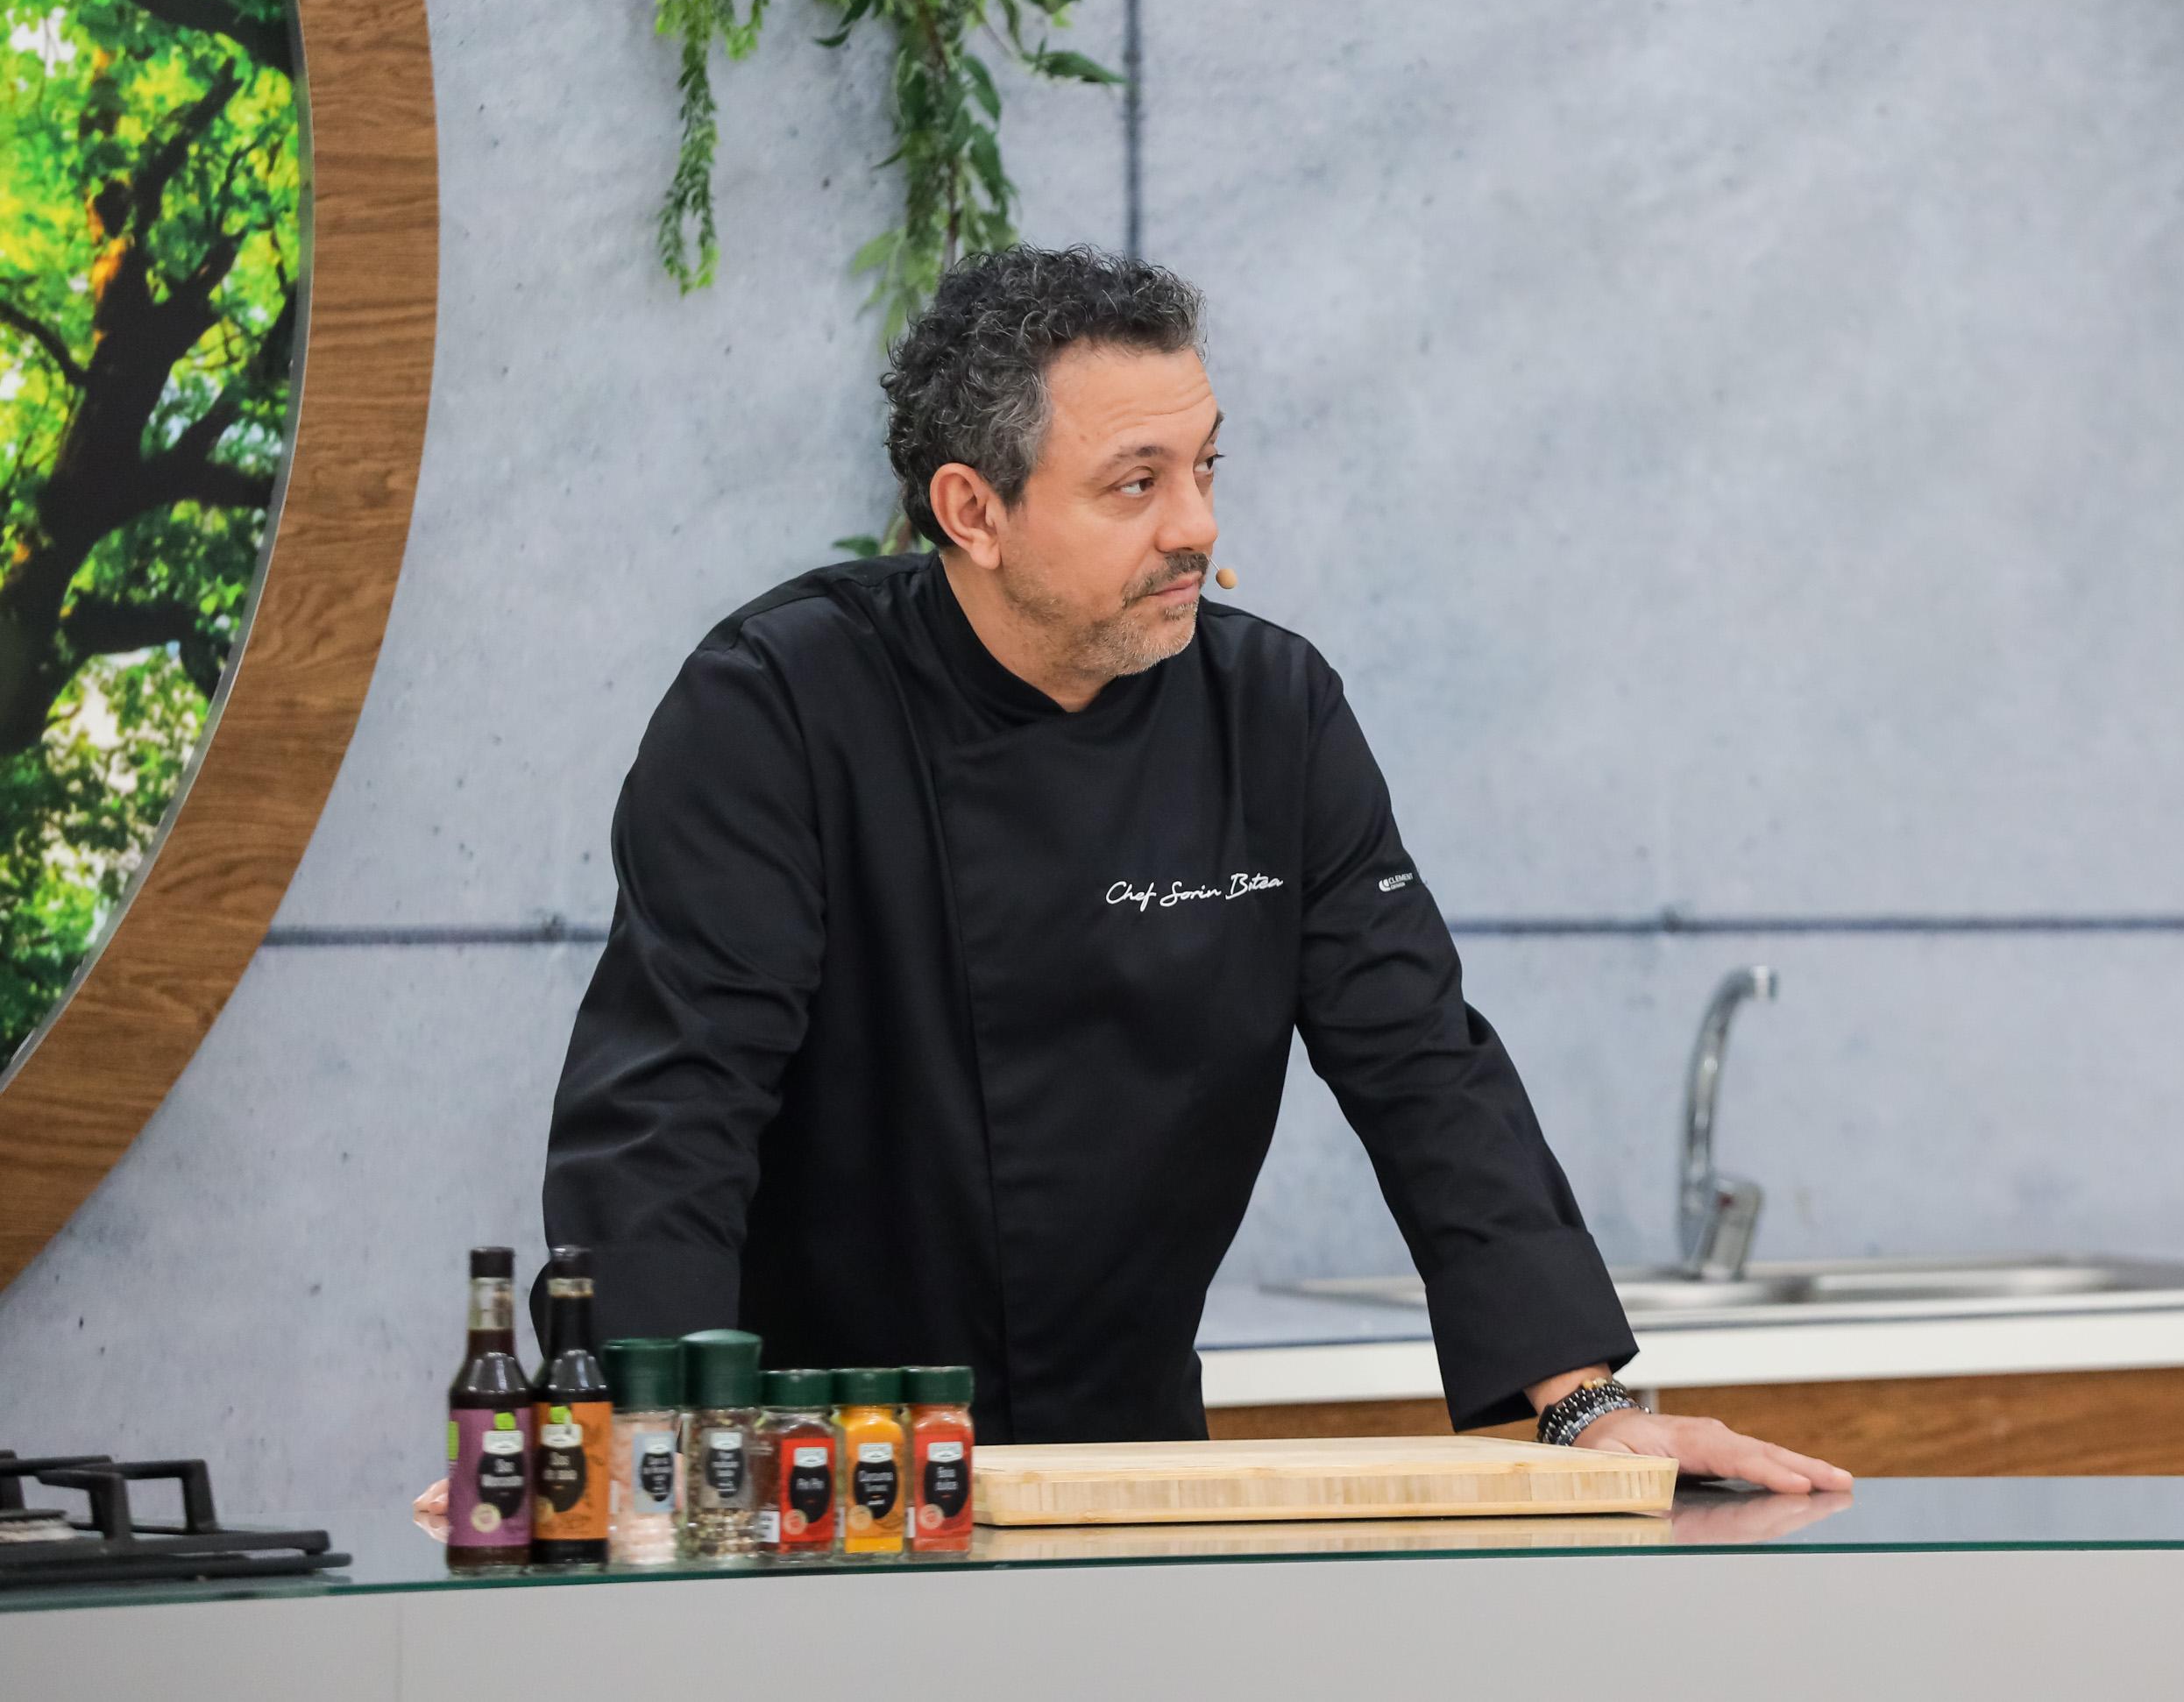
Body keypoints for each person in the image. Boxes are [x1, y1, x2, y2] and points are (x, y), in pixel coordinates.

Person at [465, 245, 1846, 1497]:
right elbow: (672, 1112)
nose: (1196, 523)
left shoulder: (1274, 718)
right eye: (1137, 483)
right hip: (815, 1476)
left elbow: (1426, 1066)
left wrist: (1586, 1403)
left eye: (1206, 468)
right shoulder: (777, 707)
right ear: (973, 509)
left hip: (1128, 1466)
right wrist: (646, 1454)